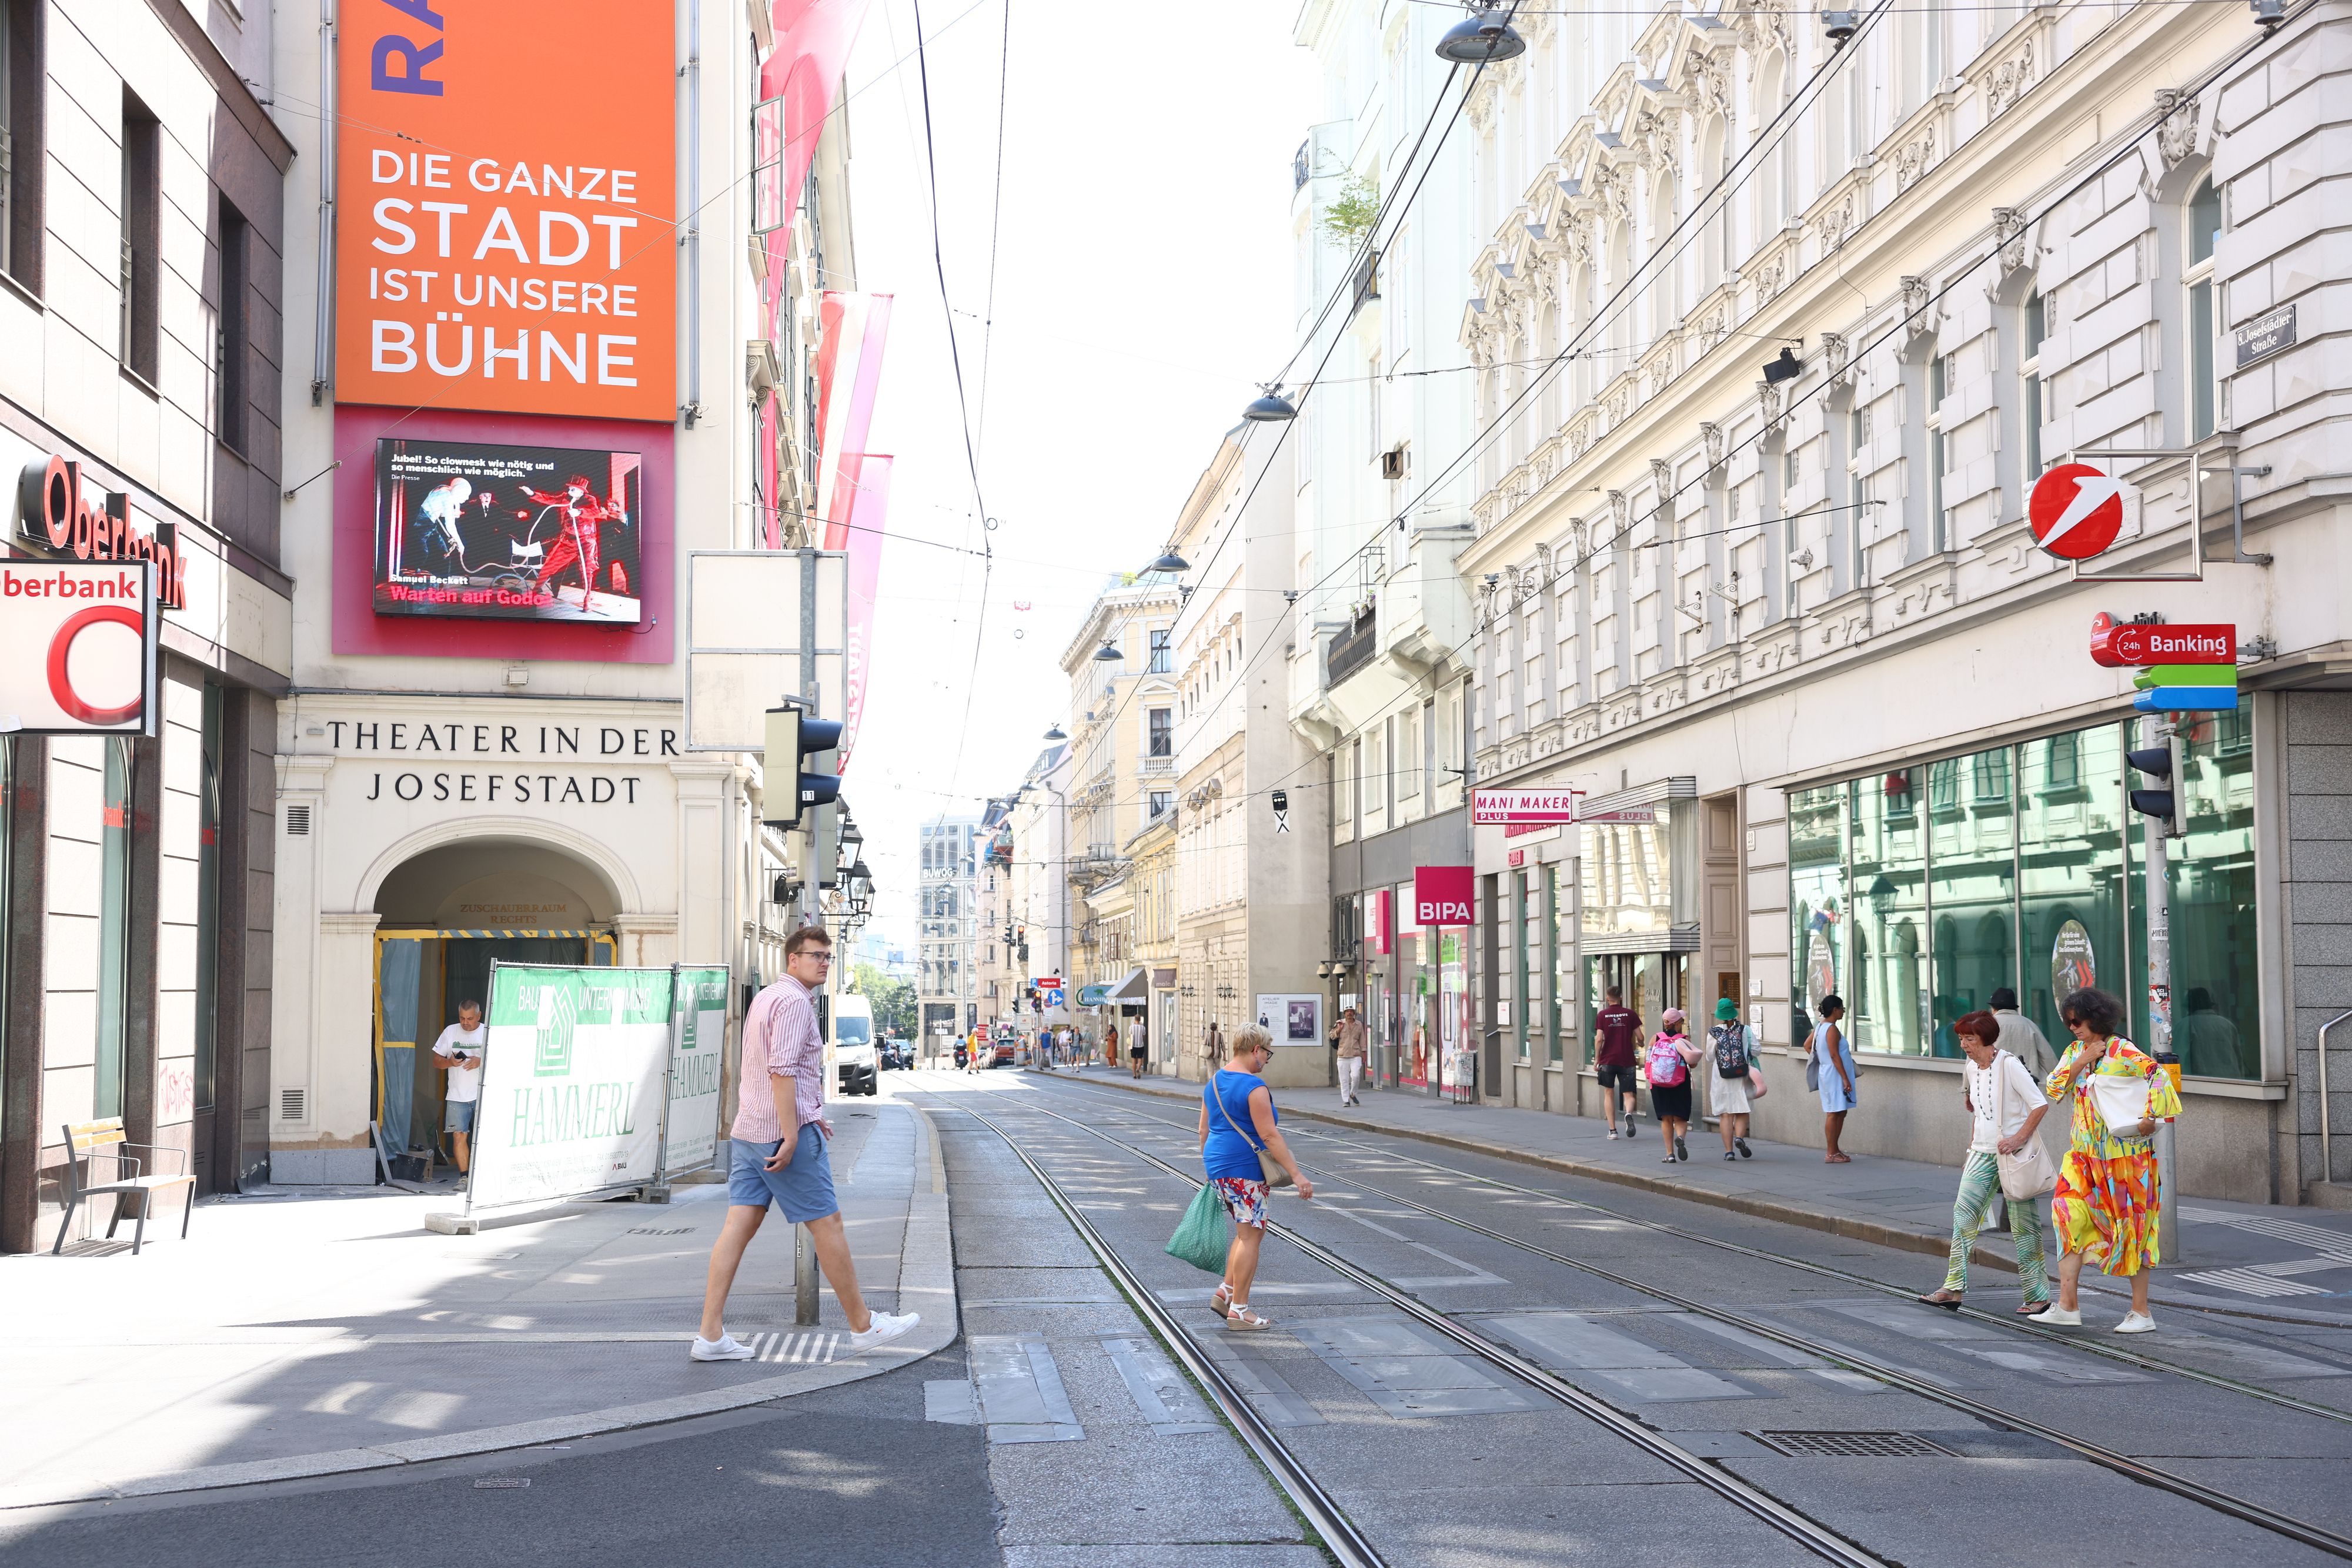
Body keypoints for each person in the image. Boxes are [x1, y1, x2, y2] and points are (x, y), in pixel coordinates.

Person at [693, 927, 918, 1362]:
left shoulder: (766, 997)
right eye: (816, 955)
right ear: (793, 959)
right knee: (827, 1223)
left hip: (749, 1130)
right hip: (780, 1134)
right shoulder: (795, 1002)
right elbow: (781, 1069)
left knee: (737, 1227)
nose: (824, 963)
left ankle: (710, 1333)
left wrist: (809, 1113)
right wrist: (795, 1129)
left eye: (828, 957)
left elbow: (766, 1065)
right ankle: (864, 1325)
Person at [2030, 986, 2181, 1333]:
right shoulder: (2074, 1052)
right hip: (2082, 1158)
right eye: (2068, 1023)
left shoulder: (2123, 1050)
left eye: (2078, 1021)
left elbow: (2158, 1077)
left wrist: (2149, 1117)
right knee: (2066, 1218)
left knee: (2134, 1230)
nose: (2073, 1028)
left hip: (2126, 1160)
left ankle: (2141, 1312)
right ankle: (2067, 1305)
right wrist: (2081, 1060)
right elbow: (2053, 1090)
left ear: (2096, 1017)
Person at [1919, 1010, 2053, 1315]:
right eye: (1961, 1038)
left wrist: (2018, 1139)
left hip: (2013, 1155)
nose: (1964, 1044)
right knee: (1963, 1218)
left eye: (1970, 1038)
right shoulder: (1970, 1066)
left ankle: (2039, 1296)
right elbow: (1977, 1110)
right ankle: (1952, 1289)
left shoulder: (2009, 1065)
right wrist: (1972, 1143)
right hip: (1981, 1153)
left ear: (1987, 1039)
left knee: (2025, 1225)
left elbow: (2039, 1104)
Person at [1197, 1025, 1312, 1331]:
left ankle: (1226, 1292)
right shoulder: (1254, 1087)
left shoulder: (1215, 1081)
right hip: (1245, 1168)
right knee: (1251, 1236)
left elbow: (1203, 1130)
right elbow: (1269, 1135)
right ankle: (1240, 1311)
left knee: (1246, 1232)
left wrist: (1211, 1167)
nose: (1267, 1059)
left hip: (1219, 1165)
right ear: (1255, 1049)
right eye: (1267, 1052)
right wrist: (1297, 1175)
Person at [432, 999, 487, 1176]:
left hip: (483, 1095)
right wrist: (450, 1062)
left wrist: (481, 1061)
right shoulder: (450, 1031)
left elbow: (504, 1061)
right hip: (457, 1096)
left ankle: (483, 1178)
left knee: (485, 1138)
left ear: (479, 1016)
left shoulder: (487, 1032)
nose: (465, 1023)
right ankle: (464, 1178)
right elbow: (436, 1062)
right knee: (458, 1137)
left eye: (470, 1018)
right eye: (462, 1018)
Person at [1644, 1008, 1703, 1163]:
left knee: (1666, 1119)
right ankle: (1680, 1137)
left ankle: (1670, 1154)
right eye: (1681, 1021)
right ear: (1677, 1023)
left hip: (1659, 1083)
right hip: (1679, 1083)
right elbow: (1693, 1063)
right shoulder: (1683, 1039)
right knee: (1680, 1117)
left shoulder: (1655, 1038)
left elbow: (1648, 1061)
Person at [1706, 998, 1759, 1160]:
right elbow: (1757, 1050)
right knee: (1742, 1110)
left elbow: (1709, 1057)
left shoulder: (1714, 1032)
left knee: (1726, 1114)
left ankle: (1729, 1152)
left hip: (1721, 1077)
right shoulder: (1745, 1030)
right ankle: (1740, 1138)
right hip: (1741, 1075)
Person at [1809, 993, 1857, 1162]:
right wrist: (1845, 1078)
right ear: (1835, 1010)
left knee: (1840, 1111)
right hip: (1834, 1075)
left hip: (1829, 1073)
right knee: (1833, 1112)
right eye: (1842, 1009)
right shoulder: (1831, 1029)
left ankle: (1835, 1150)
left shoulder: (1820, 1027)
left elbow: (1808, 1046)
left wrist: (1822, 1061)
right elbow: (1834, 1055)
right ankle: (1831, 1153)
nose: (1843, 1012)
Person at [1593, 987, 1643, 1139]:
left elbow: (1599, 1038)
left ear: (1608, 998)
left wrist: (1597, 1059)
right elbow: (1640, 1036)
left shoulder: (1602, 1015)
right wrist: (1641, 1043)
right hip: (1626, 1059)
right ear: (1621, 997)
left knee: (1609, 1093)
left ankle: (1613, 1131)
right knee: (1628, 1093)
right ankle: (1628, 1113)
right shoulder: (1630, 1014)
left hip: (1608, 1060)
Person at [2177, 987, 2246, 1079]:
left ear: (2190, 1006)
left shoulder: (2186, 1024)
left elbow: (2179, 1056)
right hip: (2232, 1079)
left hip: (2201, 1080)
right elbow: (2239, 1058)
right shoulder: (2227, 1024)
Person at [1990, 987, 2057, 1078]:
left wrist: (1967, 1087)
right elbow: (2048, 1057)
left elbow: (1974, 1053)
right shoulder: (2029, 1024)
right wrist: (2059, 1079)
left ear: (1993, 1008)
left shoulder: (1987, 1025)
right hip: (2027, 1082)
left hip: (1995, 1080)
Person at [1330, 1006, 1368, 1106]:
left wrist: (1364, 1053)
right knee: (1344, 1080)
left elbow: (1362, 1039)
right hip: (1342, 1055)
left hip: (1355, 1055)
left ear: (1354, 1013)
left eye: (1351, 1011)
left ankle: (1353, 1094)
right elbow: (1332, 1035)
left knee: (1356, 1076)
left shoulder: (1359, 1024)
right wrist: (1339, 1030)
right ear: (1345, 1014)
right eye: (1347, 1012)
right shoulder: (1339, 1023)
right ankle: (1346, 1100)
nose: (1349, 1013)